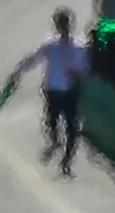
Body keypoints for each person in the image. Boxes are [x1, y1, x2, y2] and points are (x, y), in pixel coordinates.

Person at [10, 9, 91, 175]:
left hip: (70, 90)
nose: (63, 27)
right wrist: (18, 71)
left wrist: (78, 73)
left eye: (65, 24)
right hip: (52, 90)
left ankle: (66, 161)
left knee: (72, 128)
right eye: (60, 24)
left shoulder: (79, 47)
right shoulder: (50, 45)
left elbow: (86, 69)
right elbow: (32, 58)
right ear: (56, 26)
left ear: (70, 25)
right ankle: (55, 143)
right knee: (51, 122)